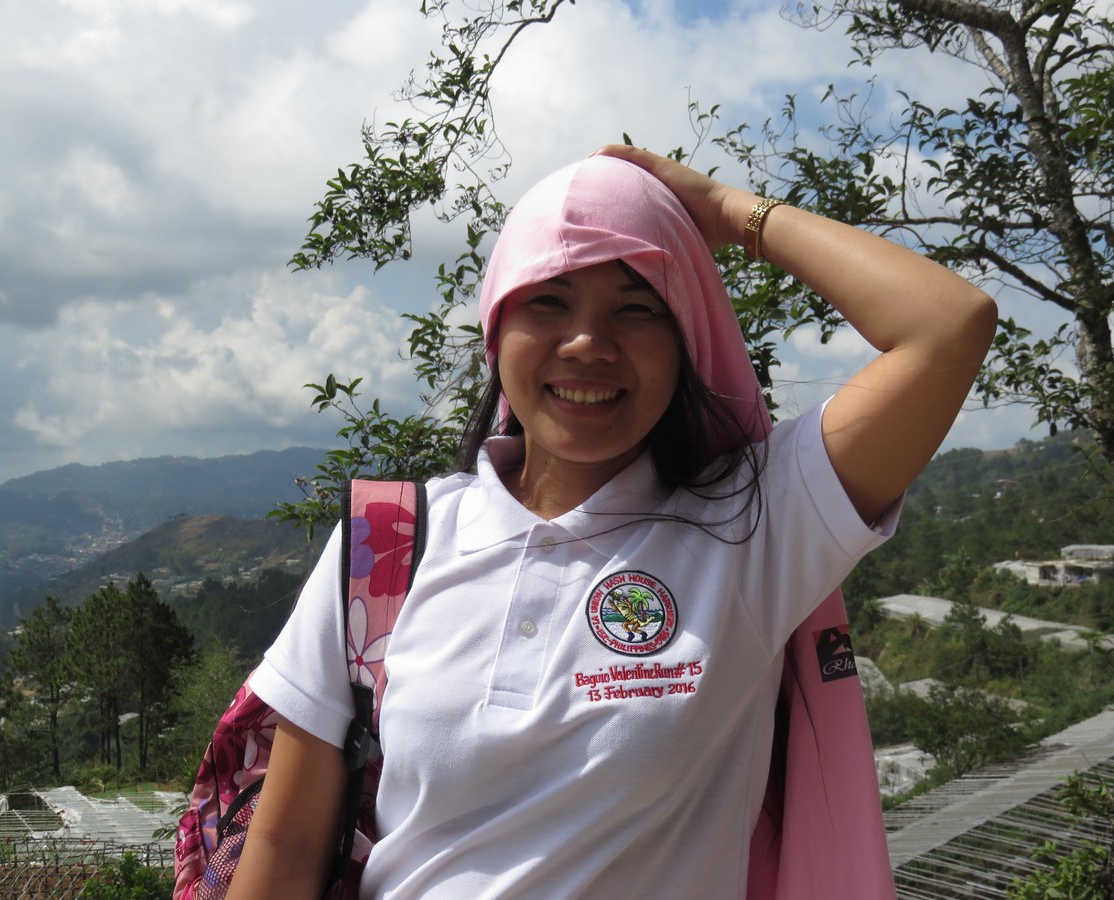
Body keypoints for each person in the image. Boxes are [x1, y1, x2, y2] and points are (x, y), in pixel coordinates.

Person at [228, 145, 997, 898]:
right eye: (548, 301)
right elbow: (287, 846)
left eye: (637, 309)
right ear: (497, 329)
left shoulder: (754, 525)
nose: (588, 344)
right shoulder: (386, 542)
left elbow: (950, 325)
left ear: (684, 341)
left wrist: (729, 212)